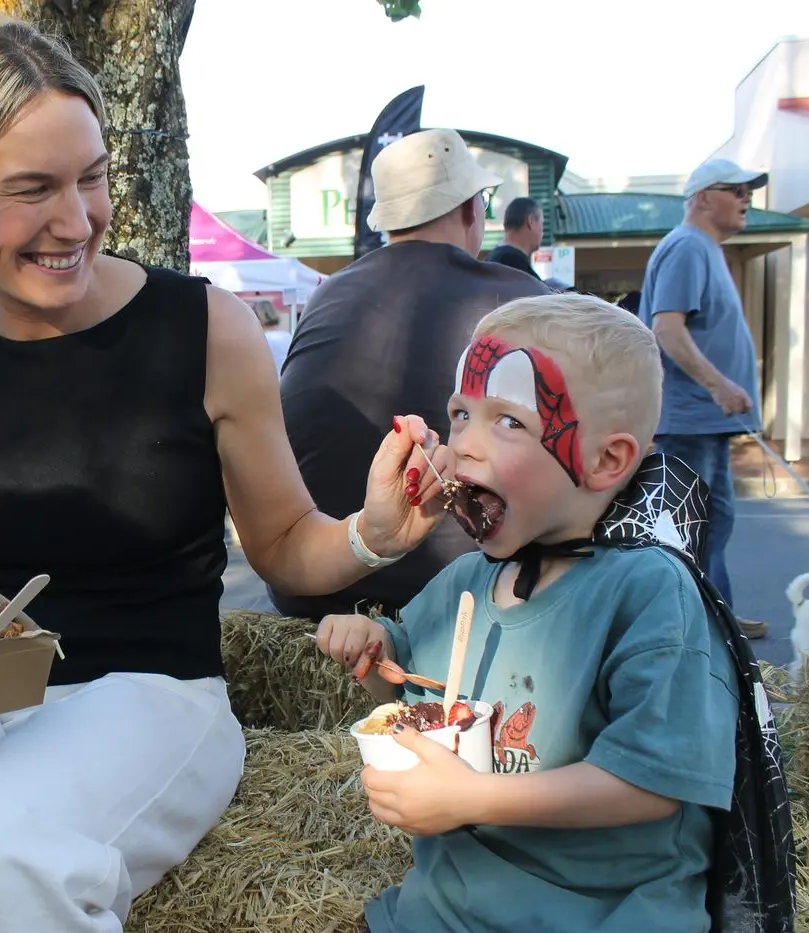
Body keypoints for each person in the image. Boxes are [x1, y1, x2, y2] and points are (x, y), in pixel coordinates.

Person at [0, 7, 450, 933]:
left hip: (153, 694)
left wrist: (370, 534)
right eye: (32, 189)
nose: (77, 220)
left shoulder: (204, 328)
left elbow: (286, 546)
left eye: (91, 177)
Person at [317, 293, 738, 933]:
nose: (463, 446)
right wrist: (372, 649)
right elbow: (409, 687)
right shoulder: (467, 580)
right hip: (448, 906)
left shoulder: (650, 592)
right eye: (461, 413)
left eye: (508, 422)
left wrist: (473, 798)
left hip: (604, 913)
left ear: (606, 460)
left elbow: (653, 785)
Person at [272, 129, 551, 622]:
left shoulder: (327, 297)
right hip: (466, 605)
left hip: (313, 593)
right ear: (471, 210)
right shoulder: (524, 303)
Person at [638, 157, 768, 639]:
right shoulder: (688, 247)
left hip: (705, 423)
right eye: (735, 190)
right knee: (689, 531)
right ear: (702, 198)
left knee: (713, 524)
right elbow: (667, 329)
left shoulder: (703, 248)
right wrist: (718, 385)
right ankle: (694, 632)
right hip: (690, 420)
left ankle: (718, 618)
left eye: (747, 190)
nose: (746, 198)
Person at [485, 195, 543, 278]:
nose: (542, 232)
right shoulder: (518, 268)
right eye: (542, 224)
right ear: (531, 221)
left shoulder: (490, 260)